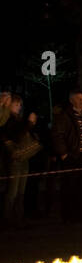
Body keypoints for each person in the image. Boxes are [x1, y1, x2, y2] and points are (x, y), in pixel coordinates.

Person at [51, 89, 82, 222]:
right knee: (70, 186)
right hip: (72, 156)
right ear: (72, 100)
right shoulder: (64, 115)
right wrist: (64, 153)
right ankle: (69, 215)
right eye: (79, 99)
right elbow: (57, 135)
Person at [2, 96, 37, 224]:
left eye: (20, 105)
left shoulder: (17, 119)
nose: (19, 107)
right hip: (14, 159)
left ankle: (18, 218)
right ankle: (8, 219)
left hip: (23, 157)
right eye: (16, 104)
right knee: (13, 191)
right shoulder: (7, 120)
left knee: (20, 191)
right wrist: (29, 123)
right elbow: (16, 136)